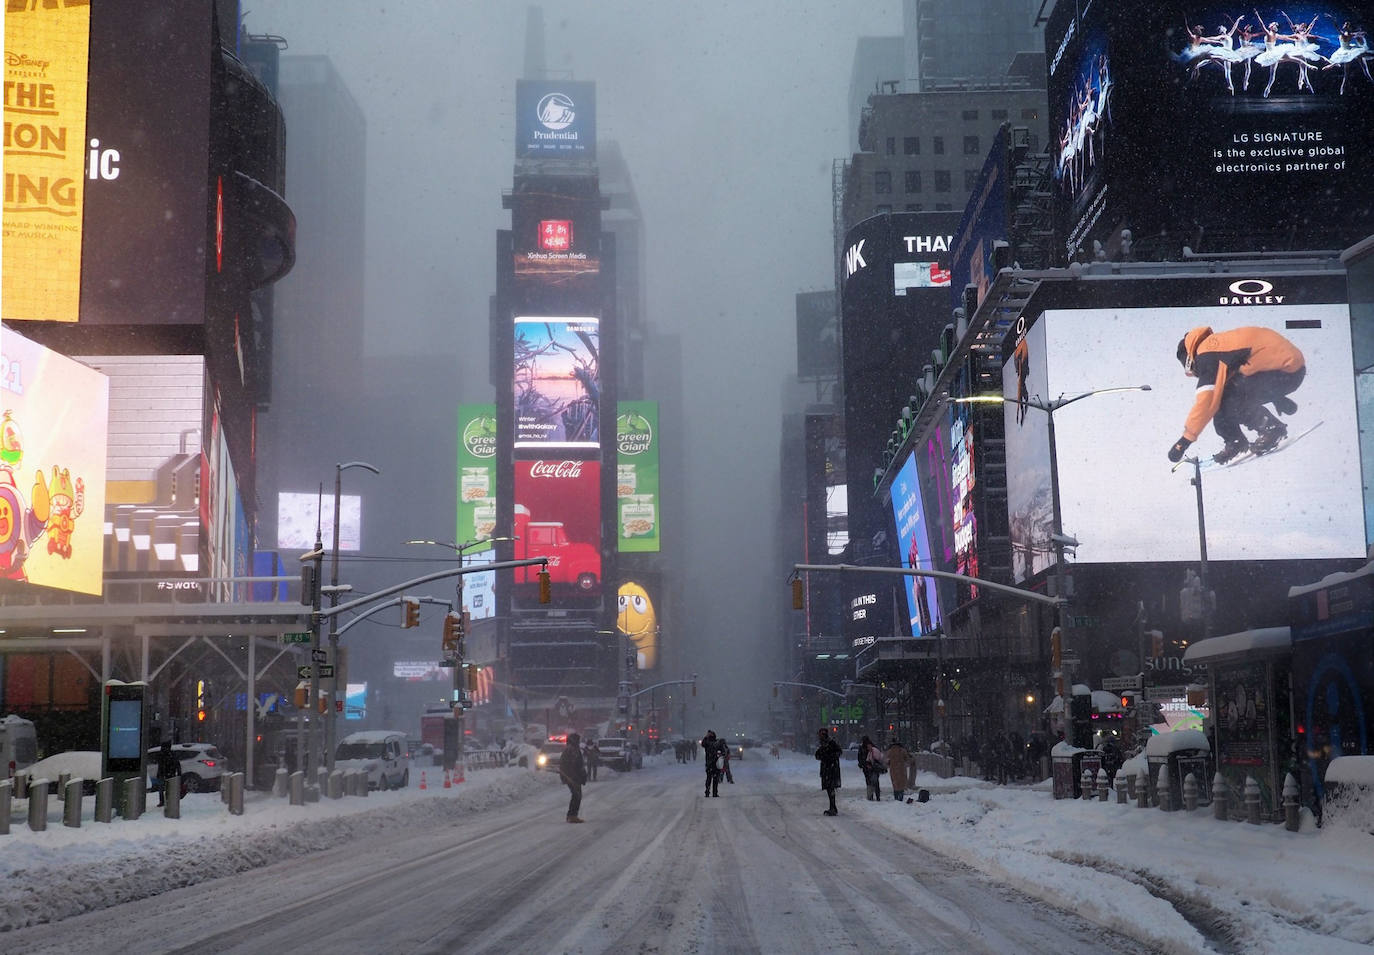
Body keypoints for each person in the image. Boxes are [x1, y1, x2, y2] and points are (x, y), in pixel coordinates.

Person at [1167, 325, 1306, 466]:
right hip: (1290, 370)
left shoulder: (1207, 353)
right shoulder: (1219, 345)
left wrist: (1184, 441)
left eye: (1188, 367)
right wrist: (1276, 396)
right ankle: (1245, 437)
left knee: (1223, 399)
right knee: (1229, 392)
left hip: (1283, 371)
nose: (1193, 372)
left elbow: (1207, 402)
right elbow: (1255, 358)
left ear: (1189, 358)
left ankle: (1254, 435)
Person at [558, 732, 587, 823]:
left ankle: (571, 815)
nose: (578, 742)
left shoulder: (574, 749)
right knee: (576, 795)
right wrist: (572, 777)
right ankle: (572, 816)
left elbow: (579, 764)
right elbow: (568, 765)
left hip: (574, 776)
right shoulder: (571, 750)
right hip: (572, 777)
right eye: (577, 740)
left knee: (577, 795)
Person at [815, 728, 842, 815]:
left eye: (821, 734)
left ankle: (833, 808)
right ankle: (833, 807)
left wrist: (830, 758)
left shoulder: (830, 743)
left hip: (831, 769)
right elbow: (818, 755)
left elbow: (838, 752)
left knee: (831, 789)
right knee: (829, 789)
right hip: (827, 769)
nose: (819, 736)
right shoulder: (823, 744)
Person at [155, 740, 181, 808]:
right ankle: (167, 800)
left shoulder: (161, 754)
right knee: (168, 788)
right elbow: (177, 764)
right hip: (170, 774)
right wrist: (178, 773)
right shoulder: (171, 754)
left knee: (162, 788)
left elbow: (160, 765)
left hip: (164, 773)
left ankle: (163, 801)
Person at [858, 734, 884, 801]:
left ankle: (870, 796)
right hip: (874, 768)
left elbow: (860, 758)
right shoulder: (873, 747)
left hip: (867, 767)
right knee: (875, 782)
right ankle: (877, 796)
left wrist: (862, 764)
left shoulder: (862, 748)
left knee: (869, 782)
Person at [701, 730, 723, 797]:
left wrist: (706, 737)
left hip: (710, 763)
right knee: (714, 779)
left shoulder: (709, 742)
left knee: (709, 778)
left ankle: (708, 792)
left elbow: (703, 744)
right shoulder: (715, 743)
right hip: (714, 763)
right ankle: (714, 793)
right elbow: (723, 751)